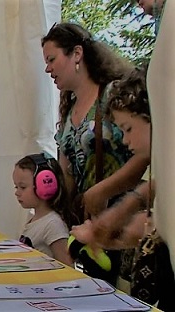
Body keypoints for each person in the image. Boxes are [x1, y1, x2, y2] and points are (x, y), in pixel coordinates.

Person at [41, 22, 149, 284]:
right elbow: (66, 173)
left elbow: (145, 152)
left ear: (77, 54)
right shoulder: (68, 111)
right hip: (93, 230)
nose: (47, 68)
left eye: (52, 59)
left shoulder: (112, 94)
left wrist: (103, 190)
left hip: (126, 221)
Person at [70, 65, 174, 309]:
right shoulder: (161, 164)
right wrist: (105, 235)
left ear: (156, 117)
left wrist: (125, 207)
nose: (126, 141)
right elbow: (142, 231)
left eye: (128, 128)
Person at [13, 153, 73, 266]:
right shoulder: (36, 220)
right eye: (16, 187)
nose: (17, 192)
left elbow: (68, 267)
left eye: (23, 187)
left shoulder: (53, 224)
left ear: (45, 186)